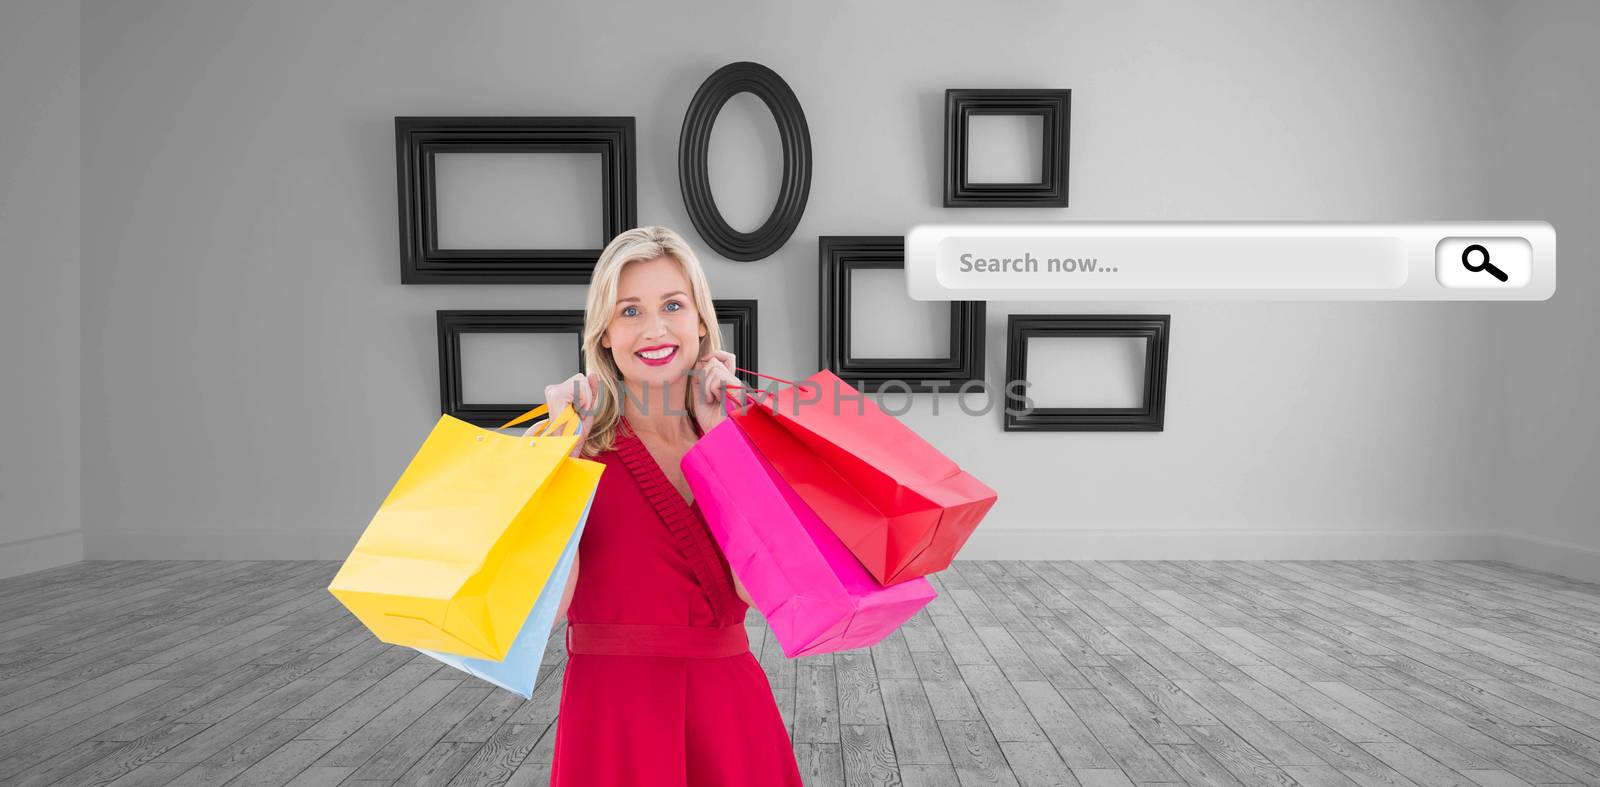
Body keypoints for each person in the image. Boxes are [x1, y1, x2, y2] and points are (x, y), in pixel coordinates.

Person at [535, 226, 804, 787]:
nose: (654, 329)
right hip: (610, 717)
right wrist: (562, 458)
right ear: (604, 333)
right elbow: (548, 609)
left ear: (701, 323)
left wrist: (722, 447)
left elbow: (763, 592)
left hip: (729, 711)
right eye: (629, 310)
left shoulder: (740, 444)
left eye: (673, 305)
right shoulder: (573, 449)